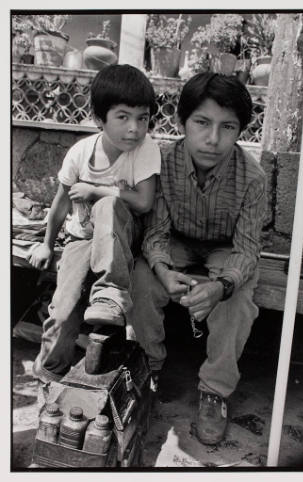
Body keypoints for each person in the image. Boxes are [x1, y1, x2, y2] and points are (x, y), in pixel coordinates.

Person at [130, 72, 267, 445]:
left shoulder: (253, 177)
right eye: (202, 123)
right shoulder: (161, 161)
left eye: (228, 127)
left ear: (241, 131)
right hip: (176, 240)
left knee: (238, 299)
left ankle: (215, 391)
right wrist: (161, 269)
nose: (213, 138)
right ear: (182, 122)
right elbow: (156, 232)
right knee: (143, 279)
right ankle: (149, 367)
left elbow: (247, 248)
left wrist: (221, 287)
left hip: (224, 247)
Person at [28, 64, 161, 384]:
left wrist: (97, 190)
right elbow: (60, 203)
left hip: (122, 239)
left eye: (142, 118)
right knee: (63, 309)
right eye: (123, 117)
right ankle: (49, 369)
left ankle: (110, 295)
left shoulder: (146, 149)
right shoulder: (80, 153)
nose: (134, 128)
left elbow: (143, 202)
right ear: (99, 119)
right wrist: (47, 243)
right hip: (80, 239)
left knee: (109, 204)